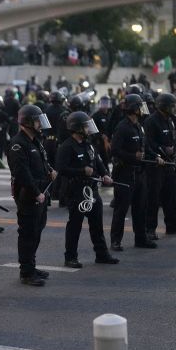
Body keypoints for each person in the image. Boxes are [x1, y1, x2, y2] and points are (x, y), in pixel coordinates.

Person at [56, 111, 119, 268]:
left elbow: (97, 161)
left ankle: (102, 254)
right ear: (77, 128)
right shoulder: (66, 146)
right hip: (76, 191)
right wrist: (81, 171)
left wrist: (105, 174)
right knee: (75, 226)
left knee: (97, 224)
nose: (88, 129)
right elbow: (61, 169)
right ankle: (70, 257)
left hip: (92, 190)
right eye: (85, 126)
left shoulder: (88, 144)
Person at [8, 105, 56, 286]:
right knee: (28, 234)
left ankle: (31, 266)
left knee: (36, 232)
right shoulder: (18, 144)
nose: (40, 124)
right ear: (27, 122)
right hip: (29, 196)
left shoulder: (35, 140)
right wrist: (36, 193)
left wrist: (50, 170)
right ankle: (26, 272)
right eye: (37, 121)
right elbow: (21, 172)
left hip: (41, 194)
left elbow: (42, 161)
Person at [109, 94, 155, 251]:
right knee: (121, 209)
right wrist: (132, 156)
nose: (142, 109)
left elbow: (145, 147)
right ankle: (115, 241)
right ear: (134, 109)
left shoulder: (138, 126)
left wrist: (156, 156)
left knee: (140, 208)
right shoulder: (122, 127)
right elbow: (114, 150)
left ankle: (141, 238)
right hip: (125, 173)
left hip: (139, 173)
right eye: (140, 106)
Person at [143, 93, 176, 239]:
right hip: (156, 166)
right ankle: (150, 229)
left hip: (168, 165)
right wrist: (162, 150)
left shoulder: (169, 120)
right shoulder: (151, 121)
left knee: (171, 197)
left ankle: (172, 225)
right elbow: (148, 143)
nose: (175, 109)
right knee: (153, 199)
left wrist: (174, 154)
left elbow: (173, 139)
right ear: (164, 106)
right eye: (172, 106)